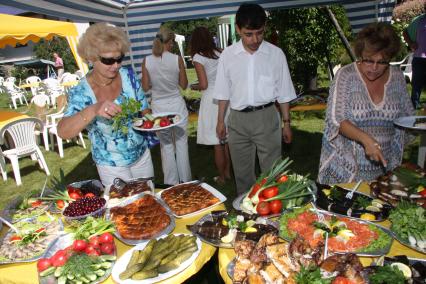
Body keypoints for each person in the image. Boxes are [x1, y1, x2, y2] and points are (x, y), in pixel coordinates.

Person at [57, 23, 154, 187]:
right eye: (108, 60)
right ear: (91, 58)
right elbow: (63, 131)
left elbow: (145, 110)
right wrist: (94, 109)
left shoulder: (128, 76)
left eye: (119, 59)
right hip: (111, 164)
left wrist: (154, 121)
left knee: (149, 203)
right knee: (125, 210)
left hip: (141, 155)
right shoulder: (82, 91)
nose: (116, 66)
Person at [214, 3, 297, 195]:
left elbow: (283, 92)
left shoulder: (275, 54)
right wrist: (220, 121)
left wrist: (286, 123)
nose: (255, 40)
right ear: (238, 29)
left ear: (265, 28)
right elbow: (223, 92)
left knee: (272, 173)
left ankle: (273, 214)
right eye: (248, 34)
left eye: (260, 33)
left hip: (267, 118)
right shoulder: (227, 55)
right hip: (237, 120)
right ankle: (247, 216)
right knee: (242, 174)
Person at [318, 23, 414, 185]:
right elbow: (336, 119)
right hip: (346, 169)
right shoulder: (346, 76)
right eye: (368, 60)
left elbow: (407, 118)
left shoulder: (397, 78)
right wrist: (366, 139)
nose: (374, 68)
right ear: (360, 55)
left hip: (385, 167)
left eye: (382, 62)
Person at [141, 26, 192, 185]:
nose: (172, 45)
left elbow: (145, 87)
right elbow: (184, 85)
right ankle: (185, 181)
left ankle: (171, 183)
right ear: (169, 41)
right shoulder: (176, 59)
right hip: (177, 105)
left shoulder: (147, 60)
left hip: (158, 108)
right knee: (181, 143)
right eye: (172, 43)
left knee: (166, 146)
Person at [190, 26, 231, 185]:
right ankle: (228, 172)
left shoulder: (198, 57)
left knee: (217, 142)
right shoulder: (221, 52)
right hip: (226, 98)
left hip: (211, 101)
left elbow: (204, 84)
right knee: (226, 140)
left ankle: (221, 177)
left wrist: (194, 87)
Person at [403, 9, 426, 109]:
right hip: (419, 58)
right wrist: (411, 43)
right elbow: (405, 32)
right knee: (416, 83)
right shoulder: (419, 20)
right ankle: (414, 105)